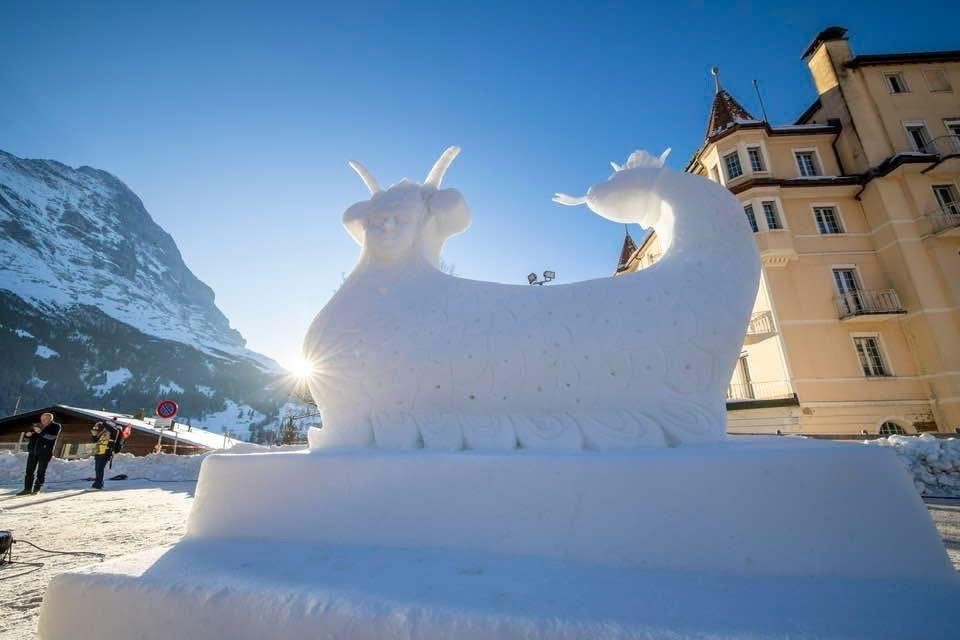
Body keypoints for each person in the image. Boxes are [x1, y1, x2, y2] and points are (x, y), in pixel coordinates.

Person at [19, 412, 62, 495]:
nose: (43, 420)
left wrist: (41, 432)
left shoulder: (56, 426)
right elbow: (26, 438)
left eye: (45, 419)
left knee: (41, 471)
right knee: (29, 471)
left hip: (45, 452)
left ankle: (37, 489)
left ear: (50, 419)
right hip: (33, 451)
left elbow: (52, 437)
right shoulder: (36, 425)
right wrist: (27, 435)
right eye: (42, 419)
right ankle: (27, 489)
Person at [90, 421, 118, 490]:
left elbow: (109, 427)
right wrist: (94, 435)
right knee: (97, 469)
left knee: (100, 468)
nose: (105, 427)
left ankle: (97, 485)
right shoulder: (103, 432)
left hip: (106, 452)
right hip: (98, 452)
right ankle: (99, 483)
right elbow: (95, 440)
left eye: (107, 426)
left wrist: (102, 423)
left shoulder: (114, 432)